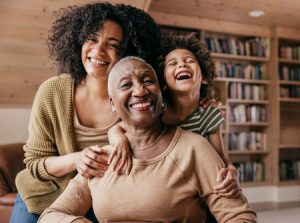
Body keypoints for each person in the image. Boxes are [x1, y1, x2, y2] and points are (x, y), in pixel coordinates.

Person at [38, 56, 257, 223]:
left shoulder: (194, 148)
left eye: (147, 81)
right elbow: (50, 215)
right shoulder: (100, 159)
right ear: (113, 104)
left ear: (161, 95)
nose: (140, 91)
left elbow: (240, 217)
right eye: (126, 85)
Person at [10, 3, 161, 223]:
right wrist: (77, 159)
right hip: (43, 195)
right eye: (91, 39)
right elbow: (35, 163)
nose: (98, 51)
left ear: (128, 53)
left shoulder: (138, 98)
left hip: (102, 199)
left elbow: (175, 124)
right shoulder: (52, 91)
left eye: (112, 45)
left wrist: (204, 102)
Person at [109, 33, 240, 197]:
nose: (182, 65)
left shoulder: (210, 114)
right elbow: (117, 129)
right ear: (163, 83)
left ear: (204, 77)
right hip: (156, 182)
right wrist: (119, 140)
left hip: (193, 184)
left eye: (190, 61)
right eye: (173, 63)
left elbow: (219, 157)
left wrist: (232, 170)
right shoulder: (156, 111)